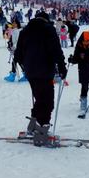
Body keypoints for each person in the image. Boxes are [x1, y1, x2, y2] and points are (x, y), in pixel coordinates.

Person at [14, 11, 67, 146]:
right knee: (47, 101)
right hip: (45, 70)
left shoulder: (25, 31)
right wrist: (62, 67)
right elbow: (56, 50)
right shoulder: (48, 29)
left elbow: (18, 54)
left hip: (31, 72)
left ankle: (33, 126)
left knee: (40, 98)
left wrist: (25, 66)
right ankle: (41, 129)